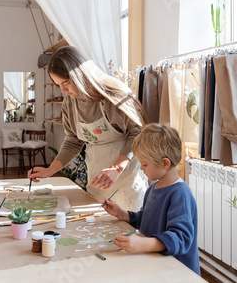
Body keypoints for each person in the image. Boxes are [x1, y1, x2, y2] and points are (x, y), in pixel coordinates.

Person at [29, 46, 148, 211]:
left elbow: (137, 134)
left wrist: (116, 168)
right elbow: (73, 141)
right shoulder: (71, 102)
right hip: (97, 177)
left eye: (66, 83)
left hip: (126, 179)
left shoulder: (115, 94)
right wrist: (50, 170)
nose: (63, 90)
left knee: (126, 229)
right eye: (58, 85)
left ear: (80, 75)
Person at [103, 123, 200, 275]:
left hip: (178, 272)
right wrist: (123, 214)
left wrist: (142, 243)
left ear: (165, 163)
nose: (141, 168)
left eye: (145, 164)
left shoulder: (180, 194)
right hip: (156, 266)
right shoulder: (153, 189)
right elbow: (147, 220)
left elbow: (181, 238)